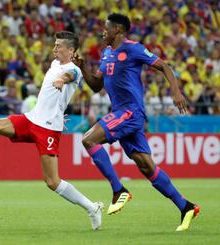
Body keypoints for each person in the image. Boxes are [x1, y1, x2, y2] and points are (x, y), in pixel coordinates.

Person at [0, 31, 104, 230]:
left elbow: (69, 76)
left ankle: (92, 208)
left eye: (59, 46)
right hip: (31, 118)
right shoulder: (54, 64)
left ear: (71, 50)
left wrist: (61, 81)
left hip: (48, 130)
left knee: (52, 181)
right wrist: (59, 109)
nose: (54, 49)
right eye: (55, 44)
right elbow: (55, 98)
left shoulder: (73, 69)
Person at [72, 14, 199, 232]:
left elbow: (165, 67)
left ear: (118, 30)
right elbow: (95, 86)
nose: (103, 31)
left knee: (88, 139)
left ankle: (118, 190)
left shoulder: (133, 49)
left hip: (130, 112)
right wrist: (83, 67)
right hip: (122, 114)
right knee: (146, 166)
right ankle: (186, 206)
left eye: (106, 28)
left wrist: (176, 93)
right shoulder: (107, 53)